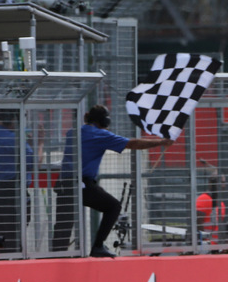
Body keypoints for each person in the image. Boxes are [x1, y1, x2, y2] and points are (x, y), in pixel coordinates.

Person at [53, 105, 174, 258]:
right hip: (81, 184)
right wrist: (161, 142)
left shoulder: (72, 132)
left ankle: (56, 255)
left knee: (63, 224)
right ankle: (97, 246)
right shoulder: (100, 135)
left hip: (64, 183)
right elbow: (133, 144)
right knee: (113, 207)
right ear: (105, 121)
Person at [0, 111, 33, 252]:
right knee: (16, 225)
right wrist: (39, 143)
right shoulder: (16, 140)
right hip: (13, 188)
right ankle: (13, 254)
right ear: (12, 120)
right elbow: (31, 163)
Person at [195, 166, 227, 247]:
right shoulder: (204, 199)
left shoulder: (221, 203)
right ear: (211, 184)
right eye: (220, 182)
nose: (223, 185)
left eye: (224, 182)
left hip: (217, 245)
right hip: (206, 245)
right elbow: (197, 223)